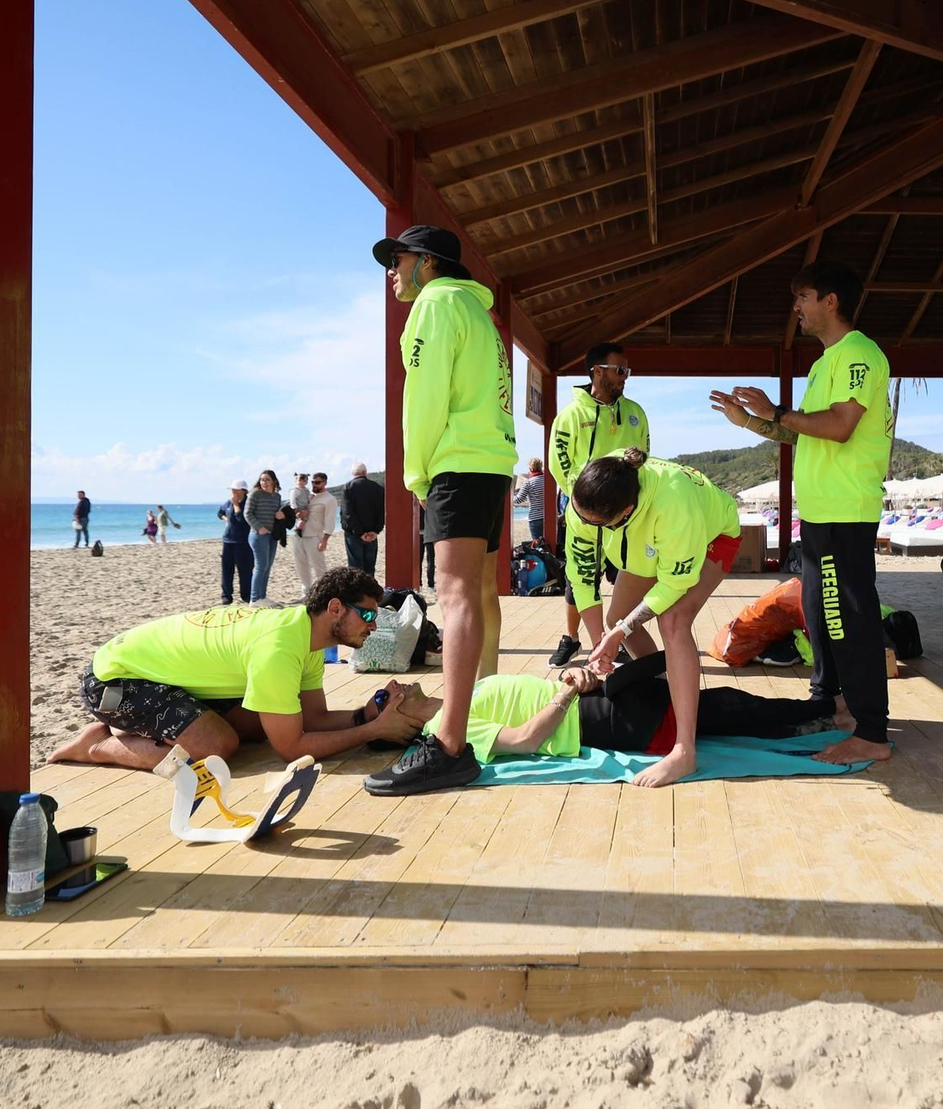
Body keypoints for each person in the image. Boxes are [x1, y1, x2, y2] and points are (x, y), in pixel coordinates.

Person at [711, 260, 894, 767]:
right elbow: (799, 430)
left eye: (804, 297)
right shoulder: (824, 363)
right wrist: (751, 421)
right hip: (819, 515)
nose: (797, 307)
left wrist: (774, 411)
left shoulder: (859, 353)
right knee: (819, 614)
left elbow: (838, 427)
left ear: (830, 301)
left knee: (846, 620)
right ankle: (833, 706)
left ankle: (872, 731)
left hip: (844, 511)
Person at [365, 225, 516, 796]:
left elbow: (422, 397)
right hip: (490, 461)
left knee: (454, 598)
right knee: (472, 596)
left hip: (457, 464)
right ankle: (459, 726)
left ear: (426, 263)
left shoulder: (433, 305)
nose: (392, 272)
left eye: (397, 260)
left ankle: (450, 743)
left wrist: (414, 473)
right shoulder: (481, 315)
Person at [48, 568, 426, 771]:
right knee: (217, 748)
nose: (374, 626)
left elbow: (314, 719)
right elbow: (291, 750)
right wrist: (373, 730)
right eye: (368, 615)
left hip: (157, 674)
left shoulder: (306, 635)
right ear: (335, 609)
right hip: (115, 679)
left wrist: (365, 713)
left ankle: (134, 728)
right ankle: (98, 745)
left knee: (260, 726)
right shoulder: (279, 647)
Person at [566, 449, 739, 787]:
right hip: (649, 536)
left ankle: (684, 751)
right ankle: (665, 695)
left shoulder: (674, 502)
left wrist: (621, 631)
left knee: (673, 621)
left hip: (710, 535)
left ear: (625, 512)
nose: (582, 526)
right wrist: (600, 641)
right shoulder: (588, 500)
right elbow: (582, 576)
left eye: (592, 525)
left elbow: (676, 584)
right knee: (617, 618)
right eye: (579, 517)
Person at [377, 652, 851, 766]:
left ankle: (819, 712)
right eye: (382, 697)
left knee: (716, 704)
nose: (393, 684)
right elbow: (524, 741)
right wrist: (567, 694)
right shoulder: (444, 728)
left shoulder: (456, 697)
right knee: (720, 705)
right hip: (593, 722)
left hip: (588, 698)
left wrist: (569, 677)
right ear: (395, 720)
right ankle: (826, 711)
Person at [548, 342, 650, 667]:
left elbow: (644, 461)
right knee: (578, 580)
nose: (625, 377)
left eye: (627, 371)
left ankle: (616, 640)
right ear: (596, 371)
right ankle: (578, 640)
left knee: (627, 579)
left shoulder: (635, 413)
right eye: (620, 370)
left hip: (625, 519)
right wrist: (587, 504)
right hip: (586, 515)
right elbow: (559, 464)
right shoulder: (571, 414)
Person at [291, 472, 336, 600]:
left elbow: (330, 521)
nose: (314, 484)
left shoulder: (329, 499)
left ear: (325, 483)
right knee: (301, 566)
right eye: (313, 482)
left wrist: (325, 539)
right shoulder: (308, 496)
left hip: (315, 536)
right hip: (299, 536)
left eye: (317, 482)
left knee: (319, 567)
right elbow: (297, 509)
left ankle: (325, 594)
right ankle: (306, 593)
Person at [340, 461, 385, 575]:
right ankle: (369, 592)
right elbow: (382, 511)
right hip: (372, 533)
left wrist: (359, 533)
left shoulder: (348, 488)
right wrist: (376, 530)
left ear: (353, 474)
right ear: (365, 472)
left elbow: (347, 513)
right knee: (370, 568)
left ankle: (358, 592)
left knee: (355, 568)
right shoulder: (377, 488)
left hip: (354, 534)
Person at [246, 469, 284, 604]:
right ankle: (254, 599)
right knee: (261, 566)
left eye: (267, 480)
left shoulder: (277, 497)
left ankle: (262, 596)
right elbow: (247, 513)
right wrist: (259, 528)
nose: (265, 483)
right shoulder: (255, 494)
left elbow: (278, 514)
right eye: (262, 480)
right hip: (258, 536)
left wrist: (281, 515)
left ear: (273, 481)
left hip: (272, 536)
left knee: (268, 566)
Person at [217, 479, 254, 604]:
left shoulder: (248, 503)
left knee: (245, 570)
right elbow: (220, 512)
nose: (233, 492)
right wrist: (226, 519)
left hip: (243, 542)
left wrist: (236, 506)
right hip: (228, 541)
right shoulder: (228, 503)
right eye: (232, 490)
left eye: (236, 490)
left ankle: (246, 595)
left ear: (243, 491)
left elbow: (241, 520)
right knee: (227, 569)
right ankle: (226, 595)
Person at [515, 458, 549, 544]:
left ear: (530, 468)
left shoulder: (529, 482)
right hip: (548, 516)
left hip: (535, 517)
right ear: (541, 467)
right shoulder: (547, 480)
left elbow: (519, 499)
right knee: (548, 543)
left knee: (537, 544)